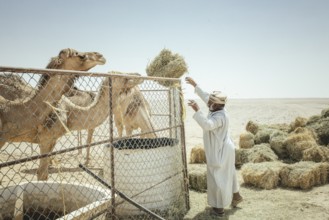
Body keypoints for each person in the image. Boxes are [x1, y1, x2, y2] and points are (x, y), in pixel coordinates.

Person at [185, 77, 243, 217]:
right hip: (226, 148)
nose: (208, 103)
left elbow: (207, 125)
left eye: (211, 102)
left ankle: (219, 209)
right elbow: (206, 96)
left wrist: (197, 110)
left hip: (220, 151)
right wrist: (195, 85)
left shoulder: (219, 117)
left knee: (217, 177)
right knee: (230, 173)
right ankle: (236, 196)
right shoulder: (217, 108)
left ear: (217, 105)